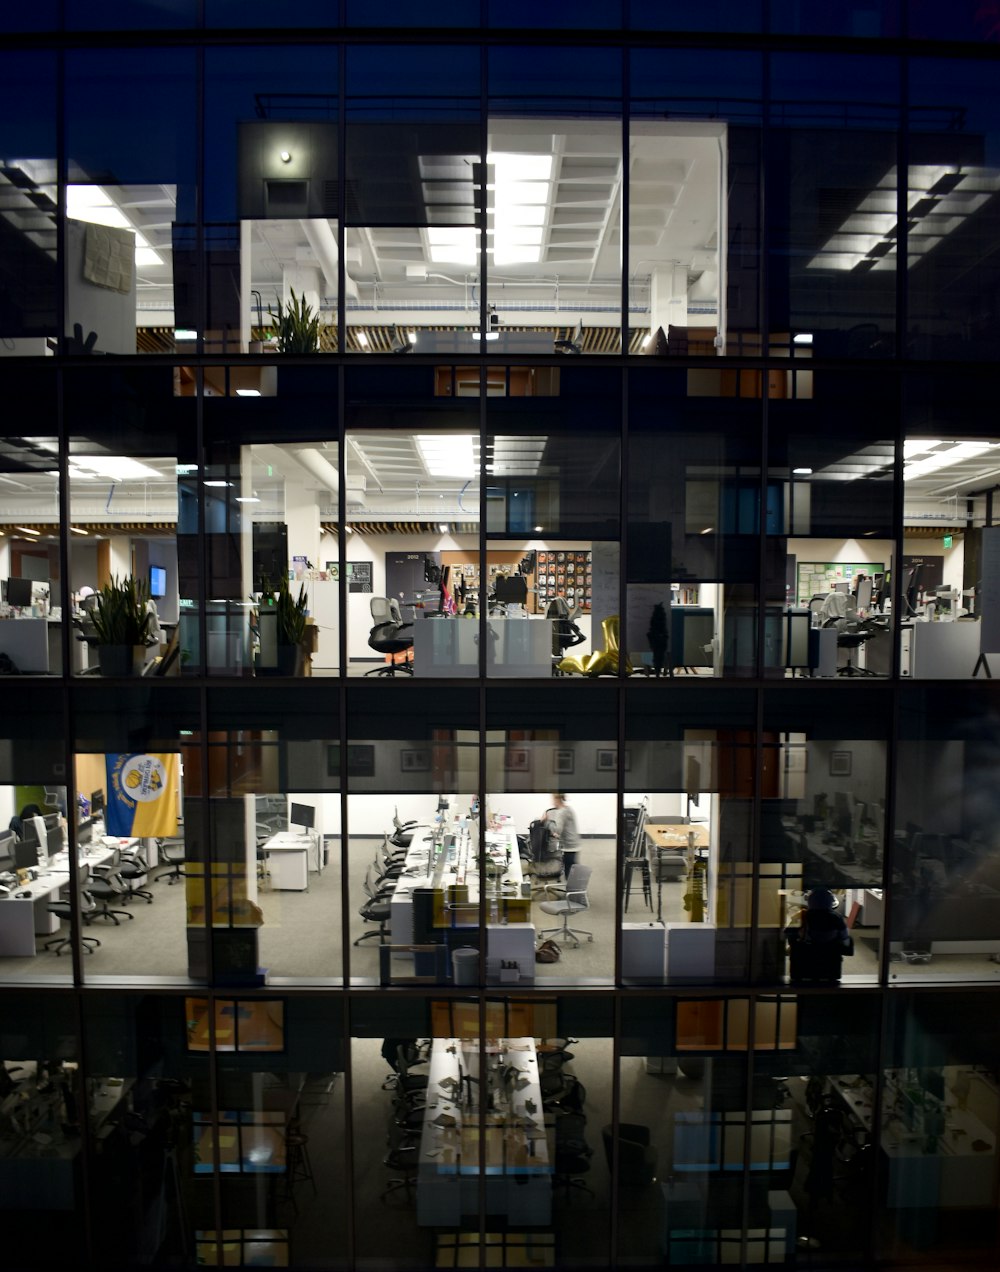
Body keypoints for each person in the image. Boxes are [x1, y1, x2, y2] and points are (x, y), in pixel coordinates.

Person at [785, 888, 854, 983]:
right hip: (830, 956)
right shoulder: (836, 917)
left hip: (805, 956)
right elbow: (845, 938)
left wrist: (794, 943)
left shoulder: (803, 915)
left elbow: (788, 932)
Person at [544, 792, 580, 874]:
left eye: (552, 799)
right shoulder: (568, 809)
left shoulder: (561, 812)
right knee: (573, 871)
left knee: (570, 873)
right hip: (574, 844)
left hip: (568, 847)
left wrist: (546, 821)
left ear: (557, 799)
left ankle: (572, 886)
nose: (552, 802)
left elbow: (557, 830)